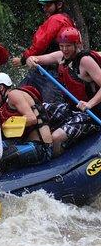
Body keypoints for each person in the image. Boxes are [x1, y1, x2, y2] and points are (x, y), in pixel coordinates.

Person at [26, 26, 101, 156]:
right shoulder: (61, 56)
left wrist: (90, 104)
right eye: (61, 46)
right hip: (72, 108)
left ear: (77, 45)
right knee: (37, 108)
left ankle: (58, 165)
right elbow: (36, 58)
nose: (64, 49)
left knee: (55, 137)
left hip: (91, 114)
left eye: (68, 46)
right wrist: (31, 59)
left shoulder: (85, 60)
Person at [12, 0, 75, 102]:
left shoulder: (56, 19)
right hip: (49, 70)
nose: (45, 8)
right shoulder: (67, 19)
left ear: (59, 4)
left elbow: (40, 44)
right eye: (43, 5)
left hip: (51, 73)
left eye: (48, 5)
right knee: (18, 97)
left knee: (18, 98)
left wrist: (23, 59)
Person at [0, 72, 53, 171]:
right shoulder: (5, 105)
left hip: (42, 148)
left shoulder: (14, 94)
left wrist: (6, 124)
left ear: (1, 88)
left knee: (0, 158)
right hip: (28, 144)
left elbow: (32, 119)